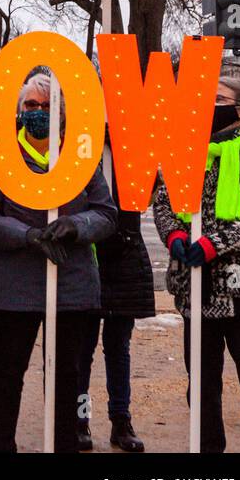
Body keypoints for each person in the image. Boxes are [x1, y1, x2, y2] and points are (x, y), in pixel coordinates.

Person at [0, 70, 117, 453]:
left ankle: (64, 445)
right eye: (31, 105)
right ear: (19, 110)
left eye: (46, 105)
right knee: (6, 372)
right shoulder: (1, 157)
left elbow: (106, 213)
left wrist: (76, 226)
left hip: (70, 283)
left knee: (66, 375)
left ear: (61, 111)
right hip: (15, 286)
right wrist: (27, 236)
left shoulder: (79, 157)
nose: (39, 111)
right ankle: (0, 445)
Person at [152, 75, 240, 453]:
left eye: (218, 99)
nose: (208, 106)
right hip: (198, 290)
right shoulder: (187, 151)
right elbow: (163, 201)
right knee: (202, 385)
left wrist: (216, 244)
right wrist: (175, 236)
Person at [75, 159, 154, 453]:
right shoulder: (82, 145)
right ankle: (79, 419)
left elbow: (148, 189)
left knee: (118, 346)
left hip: (124, 253)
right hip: (88, 251)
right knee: (83, 349)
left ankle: (121, 421)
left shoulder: (129, 148)